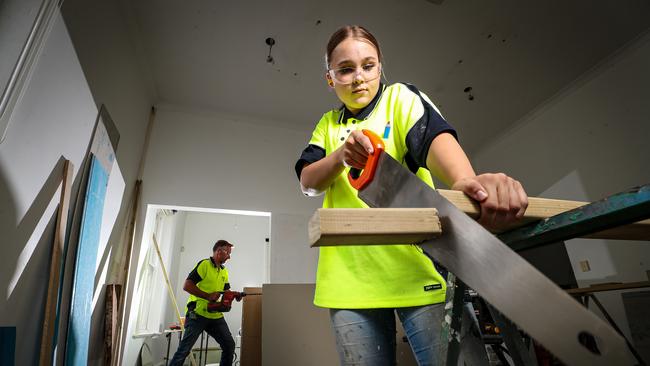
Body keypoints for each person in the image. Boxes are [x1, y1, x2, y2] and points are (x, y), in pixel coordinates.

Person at [295, 25, 528, 365]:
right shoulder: (327, 125)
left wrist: (466, 181)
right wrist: (341, 156)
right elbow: (308, 182)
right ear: (330, 78)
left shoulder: (400, 99)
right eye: (345, 69)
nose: (359, 77)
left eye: (368, 65)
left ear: (380, 67)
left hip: (421, 271)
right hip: (349, 284)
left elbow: (433, 139)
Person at [169, 240, 236, 366]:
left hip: (214, 315)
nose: (229, 257)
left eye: (230, 254)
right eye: (227, 253)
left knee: (229, 345)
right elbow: (187, 285)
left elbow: (226, 290)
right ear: (218, 251)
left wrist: (233, 295)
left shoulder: (224, 271)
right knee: (184, 349)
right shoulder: (204, 264)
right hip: (197, 313)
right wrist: (208, 296)